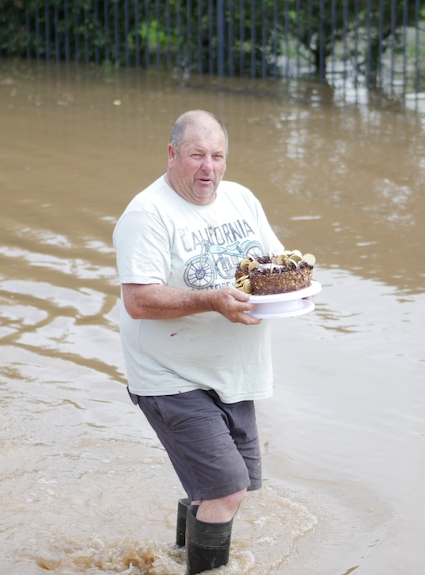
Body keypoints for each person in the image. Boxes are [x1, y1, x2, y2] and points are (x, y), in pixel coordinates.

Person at [112, 110, 285, 574]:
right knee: (227, 489)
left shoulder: (241, 199)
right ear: (172, 155)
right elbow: (139, 300)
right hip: (169, 375)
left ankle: (175, 558)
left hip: (233, 373)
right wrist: (212, 300)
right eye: (196, 155)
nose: (208, 167)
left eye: (217, 156)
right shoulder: (147, 214)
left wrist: (297, 289)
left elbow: (275, 264)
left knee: (232, 486)